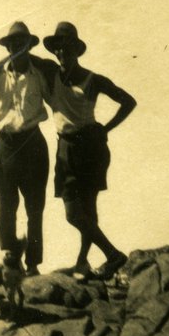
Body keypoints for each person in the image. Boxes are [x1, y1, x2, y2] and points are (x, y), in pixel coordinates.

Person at [42, 22, 136, 280]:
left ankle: (103, 257)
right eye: (58, 48)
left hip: (91, 149)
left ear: (76, 50)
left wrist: (106, 128)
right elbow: (22, 54)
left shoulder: (93, 80)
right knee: (77, 213)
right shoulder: (51, 74)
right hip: (65, 148)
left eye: (67, 48)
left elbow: (129, 101)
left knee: (84, 212)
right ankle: (90, 260)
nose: (62, 53)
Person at [0, 22, 58, 276]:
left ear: (29, 46)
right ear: (7, 48)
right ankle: (11, 263)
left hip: (34, 145)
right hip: (5, 148)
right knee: (5, 211)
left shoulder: (40, 75)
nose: (16, 48)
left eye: (21, 44)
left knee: (35, 210)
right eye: (12, 44)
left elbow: (58, 104)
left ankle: (33, 264)